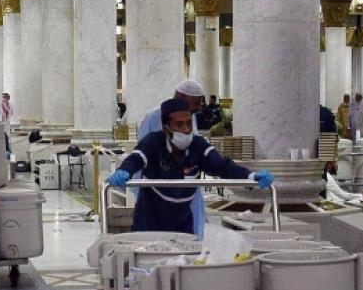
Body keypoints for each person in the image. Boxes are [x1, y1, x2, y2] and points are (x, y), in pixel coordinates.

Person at [107, 98, 274, 234]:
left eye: (188, 124)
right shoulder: (153, 142)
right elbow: (136, 158)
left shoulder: (198, 145)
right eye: (179, 125)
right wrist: (124, 171)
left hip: (182, 221)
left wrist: (250, 176)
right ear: (166, 127)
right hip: (150, 218)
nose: (186, 129)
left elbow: (222, 165)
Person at [136, 79, 207, 237]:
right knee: (158, 238)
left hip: (187, 188)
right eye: (195, 103)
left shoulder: (190, 116)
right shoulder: (154, 117)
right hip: (159, 191)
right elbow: (141, 155)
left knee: (190, 237)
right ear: (180, 97)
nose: (198, 108)